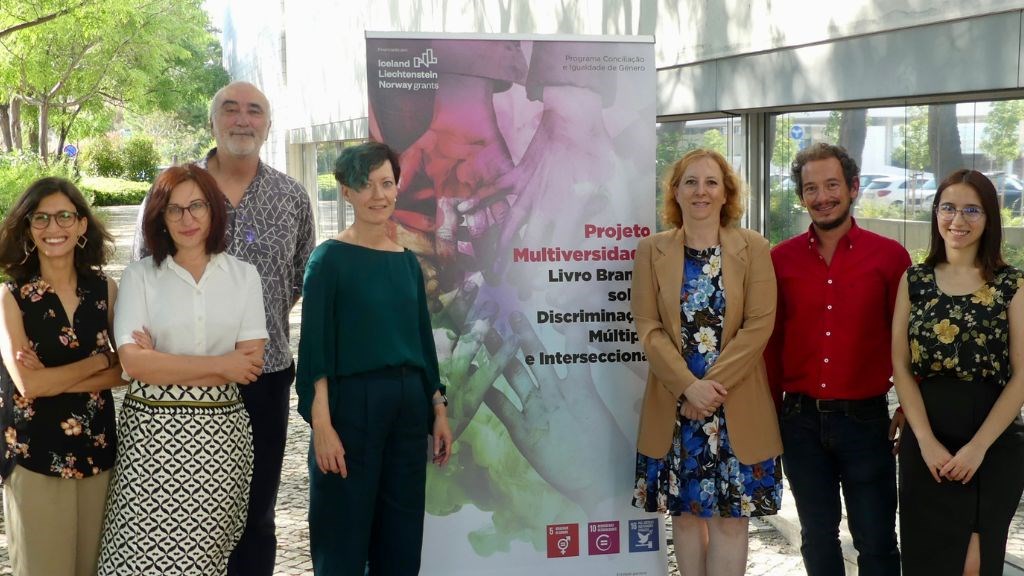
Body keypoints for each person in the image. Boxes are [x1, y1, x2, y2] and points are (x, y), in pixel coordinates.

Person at [131, 80, 315, 576]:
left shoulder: (292, 197)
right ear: (212, 122)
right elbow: (144, 265)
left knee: (256, 513)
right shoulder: (173, 190)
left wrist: (251, 328)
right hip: (179, 383)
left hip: (263, 375)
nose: (242, 119)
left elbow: (297, 278)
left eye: (254, 111)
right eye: (230, 109)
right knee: (179, 511)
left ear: (268, 125)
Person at [98, 165, 268, 574]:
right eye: (174, 209)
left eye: (197, 206)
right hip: (150, 443)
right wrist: (221, 365)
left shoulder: (243, 276)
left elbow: (249, 366)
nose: (186, 218)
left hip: (220, 445)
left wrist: (163, 363)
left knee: (202, 561)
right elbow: (134, 363)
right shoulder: (140, 276)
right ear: (160, 217)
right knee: (134, 556)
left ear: (214, 210)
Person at [296, 141, 453, 575]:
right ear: (346, 191)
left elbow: (422, 344)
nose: (378, 195)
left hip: (409, 408)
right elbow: (314, 352)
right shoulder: (328, 260)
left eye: (386, 183)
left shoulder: (407, 263)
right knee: (342, 534)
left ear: (397, 188)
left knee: (401, 538)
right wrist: (322, 427)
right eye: (365, 185)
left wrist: (438, 408)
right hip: (351, 406)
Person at [631, 149, 782, 576]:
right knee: (685, 518)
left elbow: (759, 324)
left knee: (731, 521)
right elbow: (648, 326)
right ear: (676, 192)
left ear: (726, 193)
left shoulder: (754, 248)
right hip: (676, 408)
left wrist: (707, 391)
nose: (701, 191)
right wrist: (687, 387)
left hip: (736, 406)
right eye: (691, 182)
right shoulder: (651, 251)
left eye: (711, 182)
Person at [765, 142, 909, 576]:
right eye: (811, 188)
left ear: (853, 187)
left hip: (866, 422)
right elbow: (771, 346)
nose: (822, 196)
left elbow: (908, 342)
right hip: (799, 423)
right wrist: (769, 417)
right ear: (801, 195)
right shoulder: (779, 260)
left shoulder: (890, 257)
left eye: (832, 185)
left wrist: (909, 406)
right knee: (817, 536)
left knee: (877, 539)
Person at [893, 169, 1024, 576]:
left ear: (989, 218)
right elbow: (900, 365)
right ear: (935, 212)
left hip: (991, 440)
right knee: (926, 562)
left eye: (972, 210)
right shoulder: (914, 280)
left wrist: (978, 447)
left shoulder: (1011, 284)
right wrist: (925, 441)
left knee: (973, 565)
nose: (958, 219)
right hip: (926, 440)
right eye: (948, 207)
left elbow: (1023, 374)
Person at [0, 177, 122, 576]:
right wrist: (98, 362)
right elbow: (29, 385)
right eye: (41, 218)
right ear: (27, 228)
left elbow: (127, 371)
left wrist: (56, 378)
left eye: (64, 216)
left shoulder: (105, 290)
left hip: (98, 455)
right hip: (33, 458)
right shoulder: (10, 298)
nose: (53, 227)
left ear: (82, 224)